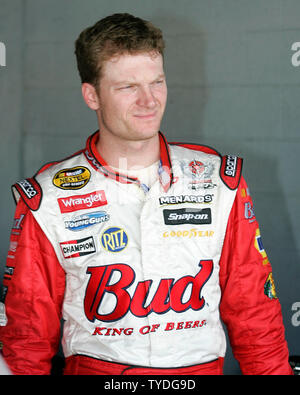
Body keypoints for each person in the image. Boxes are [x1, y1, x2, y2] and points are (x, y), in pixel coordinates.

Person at [0, 13, 293, 375]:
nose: (149, 100)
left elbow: (256, 319)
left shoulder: (220, 182)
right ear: (91, 95)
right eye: (128, 87)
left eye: (157, 82)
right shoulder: (47, 198)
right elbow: (25, 344)